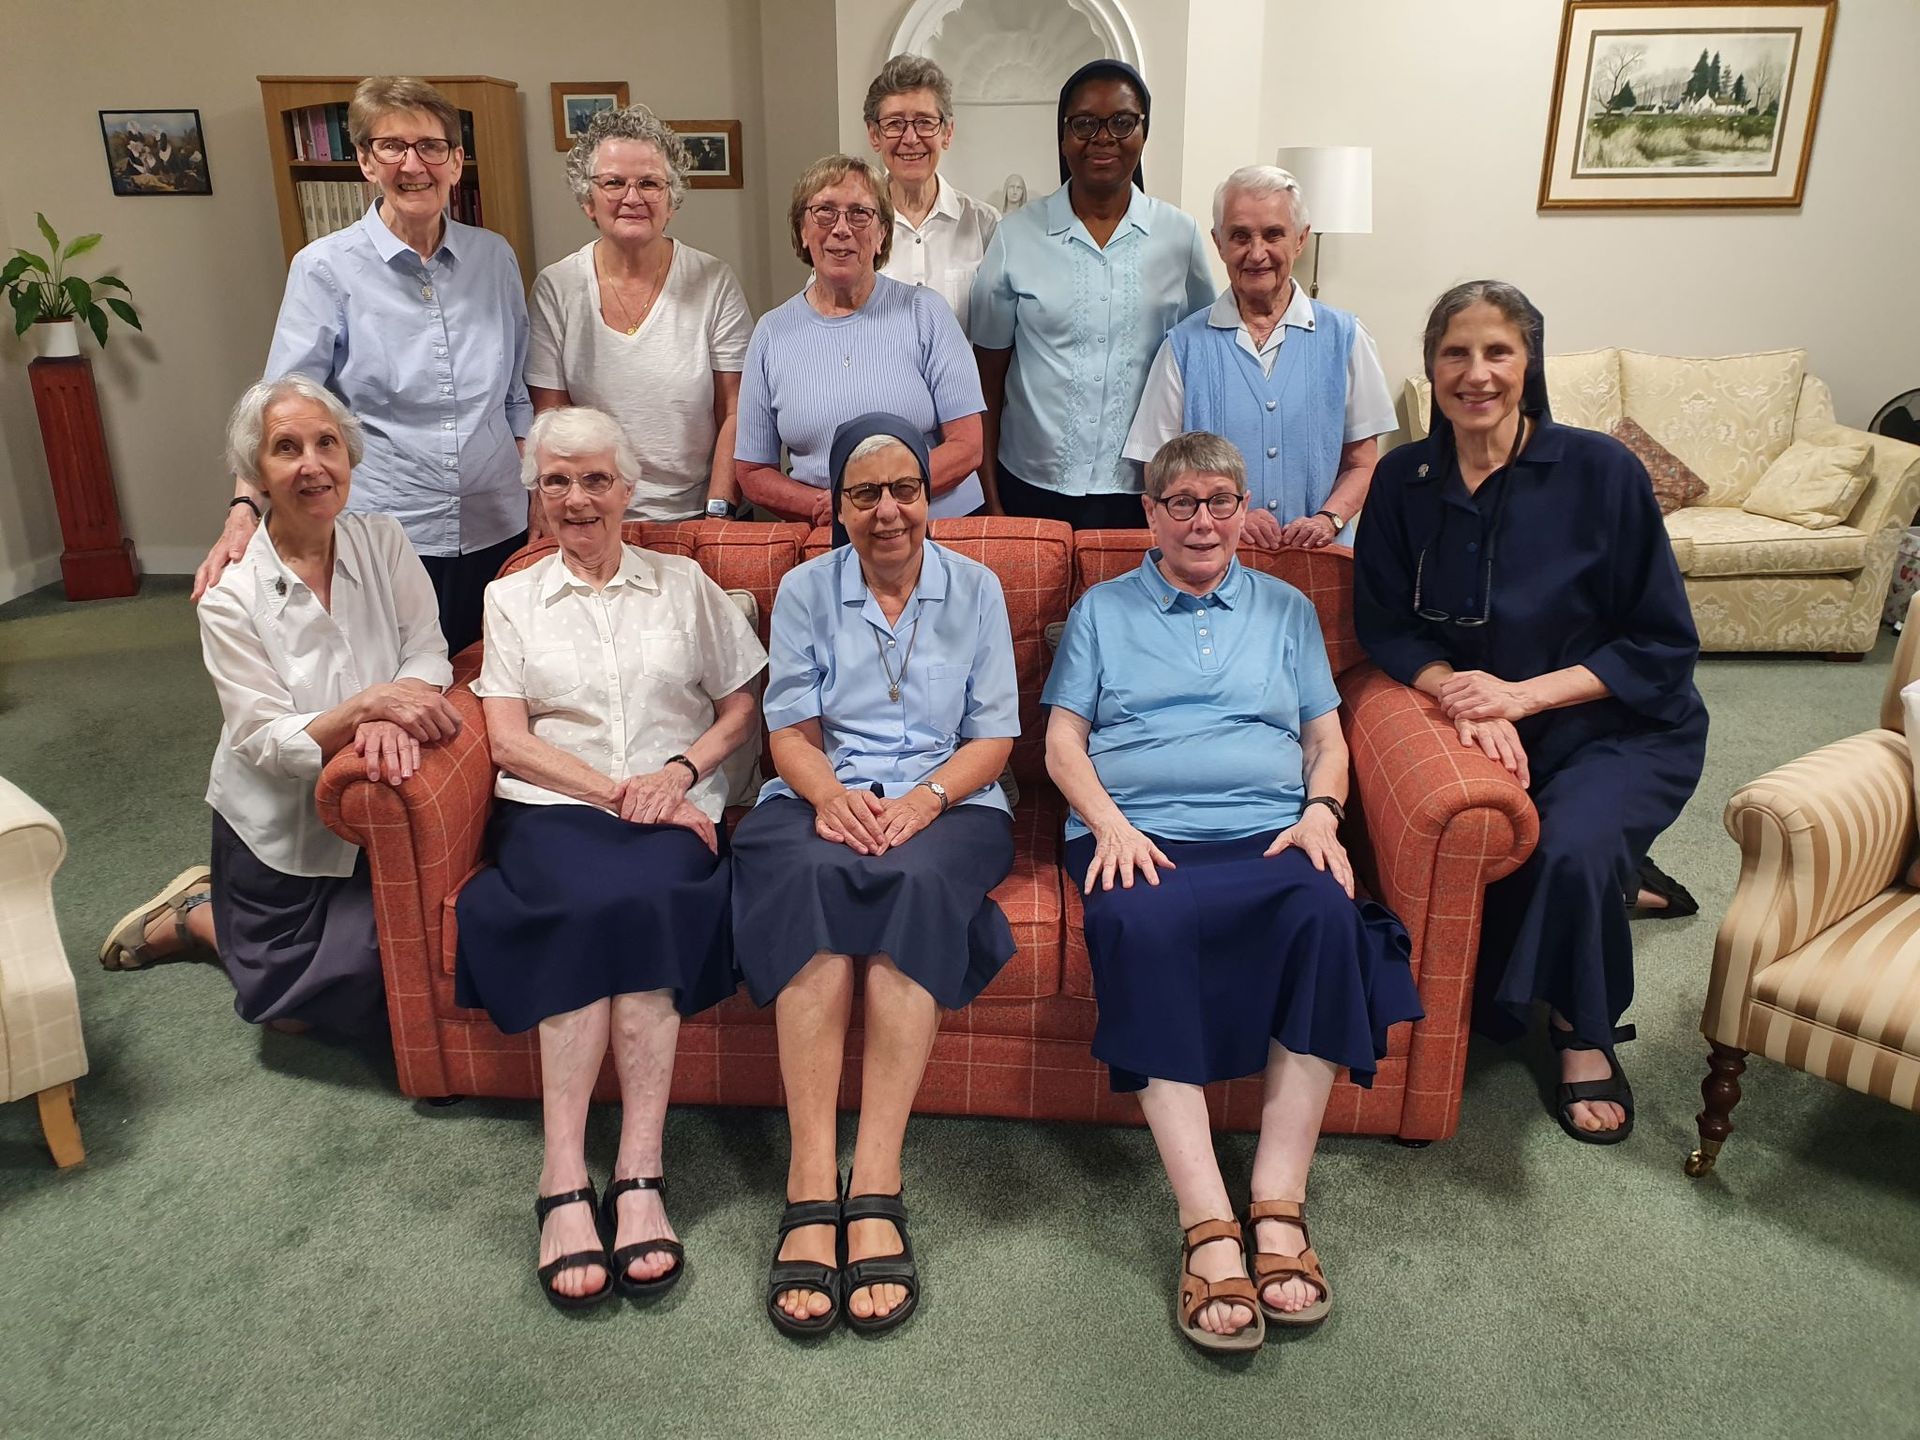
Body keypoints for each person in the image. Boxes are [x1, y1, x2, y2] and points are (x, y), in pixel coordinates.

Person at [1042, 430, 1420, 1352]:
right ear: (1152, 515)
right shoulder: (1102, 610)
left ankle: (1279, 1207)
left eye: (1219, 502)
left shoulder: (1289, 610)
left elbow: (1324, 736)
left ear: (1243, 513)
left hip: (1271, 826)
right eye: (1182, 504)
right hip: (1141, 834)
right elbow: (1061, 742)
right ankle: (1208, 1224)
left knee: (1327, 915)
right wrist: (1112, 825)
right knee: (1139, 924)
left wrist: (1324, 813)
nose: (1203, 521)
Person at [1353, 280, 1707, 1146]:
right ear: (1431, 368)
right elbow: (1386, 625)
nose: (1476, 374)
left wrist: (1521, 695)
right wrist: (1452, 690)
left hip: (1617, 725)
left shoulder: (1601, 472)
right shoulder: (1405, 478)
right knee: (1504, 886)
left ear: (1529, 363)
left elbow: (1661, 643)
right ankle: (1626, 881)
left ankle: (1581, 1031)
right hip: (1487, 731)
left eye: (1497, 352)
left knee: (1570, 852)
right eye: (1454, 354)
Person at [455, 406, 767, 1309]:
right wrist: (614, 792)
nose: (577, 498)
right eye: (557, 481)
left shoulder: (684, 584)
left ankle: (638, 1171)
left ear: (630, 491)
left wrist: (678, 774)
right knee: (585, 904)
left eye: (596, 479)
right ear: (538, 494)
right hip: (557, 811)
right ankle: (561, 1175)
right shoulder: (511, 596)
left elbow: (744, 701)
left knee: (650, 901)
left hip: (671, 812)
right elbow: (507, 740)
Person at [731, 413, 1019, 1336]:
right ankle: (813, 1176)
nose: (887, 511)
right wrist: (826, 797)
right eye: (865, 495)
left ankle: (880, 1175)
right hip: (825, 798)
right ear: (838, 507)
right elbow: (788, 728)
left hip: (949, 803)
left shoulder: (977, 588)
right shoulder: (807, 588)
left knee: (917, 883)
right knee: (811, 880)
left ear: (929, 498)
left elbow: (995, 737)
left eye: (904, 490)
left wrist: (925, 801)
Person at [100, 375, 459, 1039]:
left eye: (328, 443)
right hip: (279, 835)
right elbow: (266, 740)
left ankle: (219, 916)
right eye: (286, 448)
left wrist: (383, 709)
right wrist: (368, 706)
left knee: (413, 966)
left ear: (350, 457)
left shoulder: (385, 541)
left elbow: (429, 652)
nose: (312, 464)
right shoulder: (228, 593)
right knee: (295, 1014)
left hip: (372, 809)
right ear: (255, 472)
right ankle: (199, 916)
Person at [194, 76, 532, 654]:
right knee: (400, 690)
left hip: (498, 521)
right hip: (387, 530)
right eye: (391, 146)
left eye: (430, 146)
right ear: (365, 162)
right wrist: (244, 509)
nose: (413, 164)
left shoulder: (493, 256)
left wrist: (540, 495)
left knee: (495, 679)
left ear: (455, 162)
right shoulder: (324, 268)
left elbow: (515, 399)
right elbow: (281, 410)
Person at [971, 58, 1215, 526]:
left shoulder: (1178, 238)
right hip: (1029, 484)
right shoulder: (1015, 236)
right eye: (1084, 124)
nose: (1103, 138)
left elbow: (1201, 366)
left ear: (1144, 133)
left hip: (1144, 490)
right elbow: (987, 380)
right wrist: (991, 500)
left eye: (1123, 123)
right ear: (1063, 136)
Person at [1124, 165, 1395, 549]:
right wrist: (1226, 516)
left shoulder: (1347, 338)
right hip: (1213, 564)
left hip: (1318, 560)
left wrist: (1328, 519)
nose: (1256, 253)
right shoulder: (1182, 347)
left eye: (1273, 234)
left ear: (1300, 240)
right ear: (1218, 243)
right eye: (1239, 236)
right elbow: (1156, 467)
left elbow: (1362, 463)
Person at [526, 106, 754, 524]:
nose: (633, 198)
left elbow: (735, 409)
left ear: (672, 201)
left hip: (696, 512)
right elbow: (550, 423)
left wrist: (717, 515)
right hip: (591, 516)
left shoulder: (714, 281)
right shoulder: (556, 288)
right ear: (587, 201)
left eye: (650, 183)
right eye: (614, 183)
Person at [736, 156, 986, 525]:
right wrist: (831, 506)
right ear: (802, 230)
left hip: (936, 526)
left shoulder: (926, 312)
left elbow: (967, 447)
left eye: (859, 214)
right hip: (828, 530)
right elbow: (753, 472)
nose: (841, 228)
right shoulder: (772, 333)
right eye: (824, 212)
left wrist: (876, 496)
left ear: (883, 232)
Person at [861, 53, 999, 338]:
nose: (910, 139)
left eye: (924, 122)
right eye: (895, 124)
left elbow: (1000, 335)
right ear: (874, 135)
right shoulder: (852, 224)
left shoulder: (985, 225)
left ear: (947, 132)